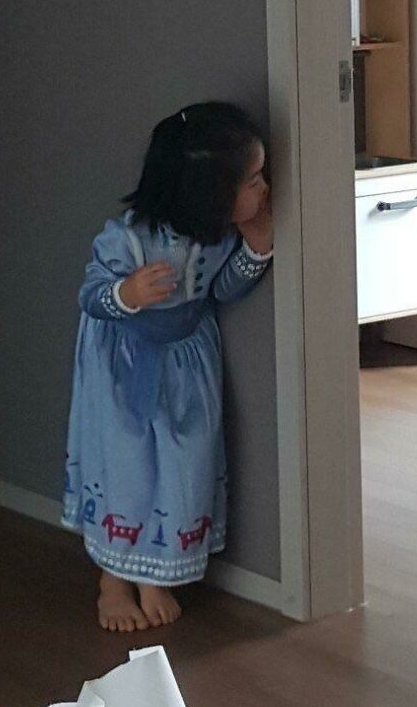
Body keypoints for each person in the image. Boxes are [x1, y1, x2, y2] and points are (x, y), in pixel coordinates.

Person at [62, 102, 273, 632]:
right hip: (124, 363)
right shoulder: (128, 237)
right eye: (252, 181)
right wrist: (127, 293)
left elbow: (221, 290)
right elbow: (91, 295)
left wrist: (257, 247)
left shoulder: (218, 236)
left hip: (188, 361)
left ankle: (153, 573)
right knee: (127, 467)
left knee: (184, 463)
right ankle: (112, 578)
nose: (264, 189)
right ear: (207, 190)